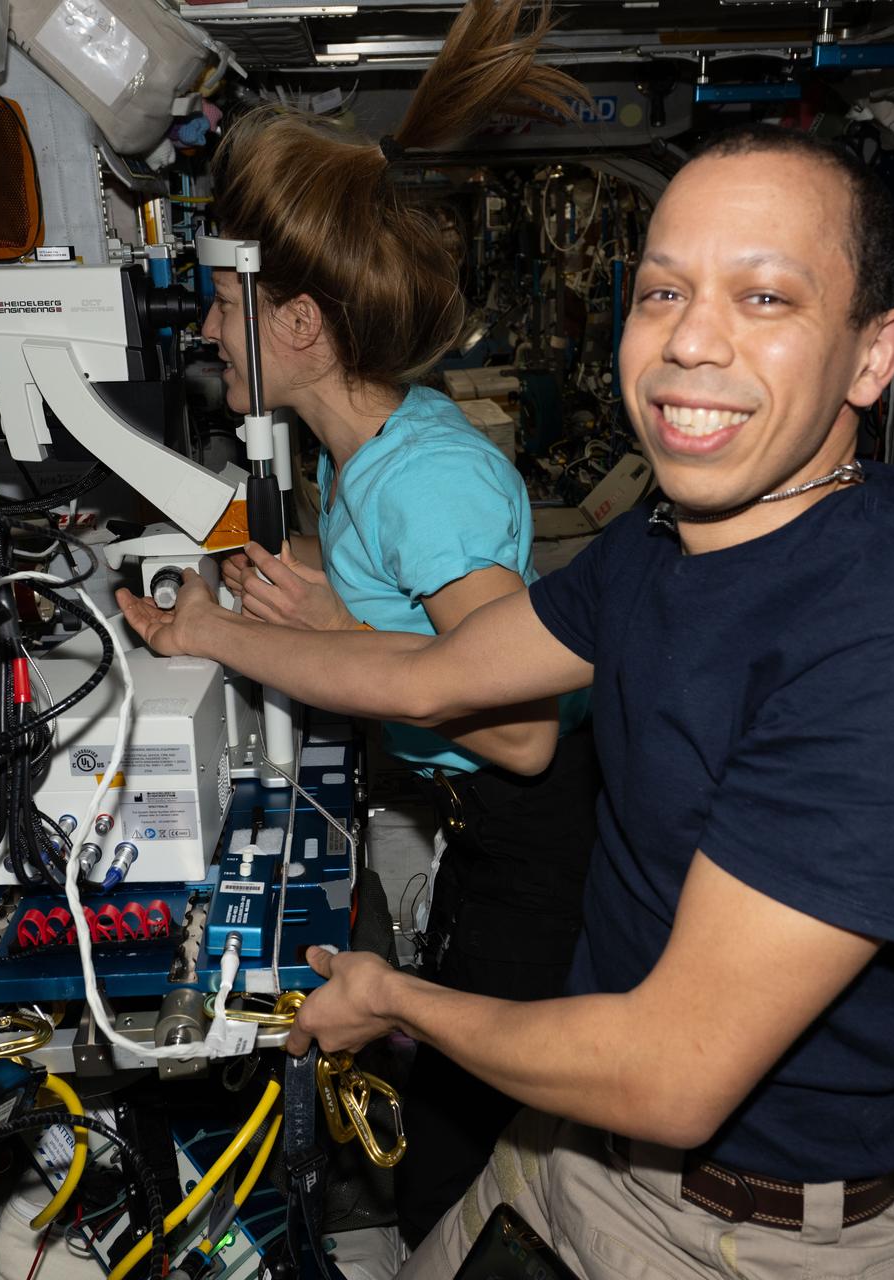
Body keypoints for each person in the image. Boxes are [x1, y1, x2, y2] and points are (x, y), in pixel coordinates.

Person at [123, 124, 894, 1279]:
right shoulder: (664, 547)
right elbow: (431, 672)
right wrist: (210, 632)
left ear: (874, 355)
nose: (692, 340)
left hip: (738, 1233)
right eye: (664, 290)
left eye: (764, 297)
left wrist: (396, 998)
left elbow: (670, 1066)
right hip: (575, 1144)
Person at [196, 0, 603, 1244]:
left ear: (299, 326)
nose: (207, 330)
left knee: (459, 1158)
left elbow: (522, 725)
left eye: (222, 306)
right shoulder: (374, 448)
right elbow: (397, 595)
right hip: (493, 824)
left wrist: (216, 637)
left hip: (540, 829)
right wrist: (315, 595)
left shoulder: (415, 477)